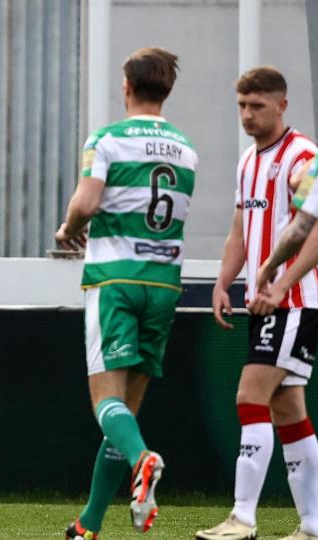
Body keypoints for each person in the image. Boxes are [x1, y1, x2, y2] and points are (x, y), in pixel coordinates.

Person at [57, 47, 197, 540]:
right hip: (163, 283)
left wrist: (67, 228)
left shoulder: (107, 138)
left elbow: (87, 201)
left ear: (126, 87)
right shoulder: (185, 148)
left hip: (115, 280)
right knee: (127, 412)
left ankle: (144, 460)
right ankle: (88, 524)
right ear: (167, 89)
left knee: (105, 402)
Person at [197, 67, 318, 540]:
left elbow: (317, 227)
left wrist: (283, 279)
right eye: (242, 106)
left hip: (293, 301)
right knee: (289, 410)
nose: (247, 115)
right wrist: (223, 280)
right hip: (264, 301)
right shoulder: (248, 160)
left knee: (250, 397)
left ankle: (242, 518)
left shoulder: (302, 155)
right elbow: (239, 229)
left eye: (257, 106)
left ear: (282, 105)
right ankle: (312, 524)